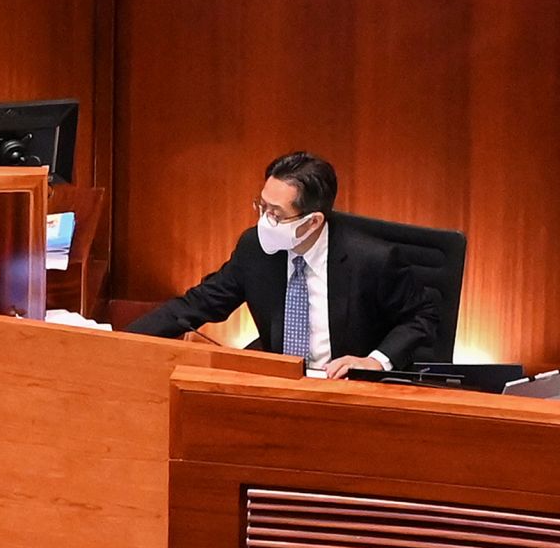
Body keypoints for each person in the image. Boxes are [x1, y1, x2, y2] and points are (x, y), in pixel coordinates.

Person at [126, 152, 439, 378]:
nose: (265, 220)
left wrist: (375, 362)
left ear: (313, 221)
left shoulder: (371, 260)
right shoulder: (255, 249)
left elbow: (421, 316)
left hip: (345, 388)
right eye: (262, 206)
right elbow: (197, 304)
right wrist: (123, 340)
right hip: (279, 382)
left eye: (276, 213)